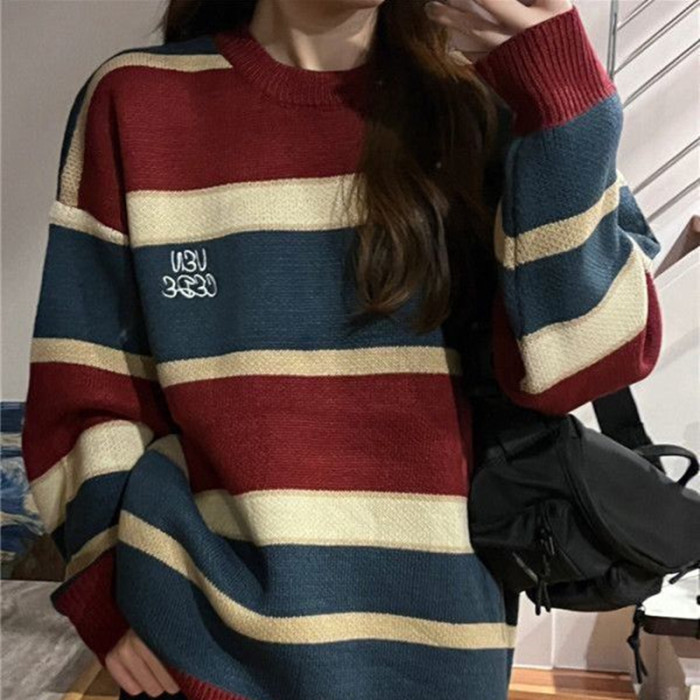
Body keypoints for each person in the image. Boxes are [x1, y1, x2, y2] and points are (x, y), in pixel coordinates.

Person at [21, 0, 663, 698]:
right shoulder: (137, 100)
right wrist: (106, 584)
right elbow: (84, 381)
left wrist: (562, 95)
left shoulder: (486, 106)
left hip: (438, 657)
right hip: (196, 653)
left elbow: (586, 364)